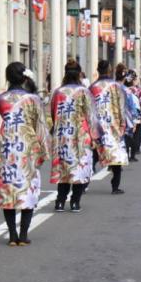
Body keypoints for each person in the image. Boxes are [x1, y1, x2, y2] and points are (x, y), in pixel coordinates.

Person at [0, 62, 49, 245]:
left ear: (7, 77)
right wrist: (44, 150)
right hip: (27, 146)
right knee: (28, 189)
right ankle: (23, 235)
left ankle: (11, 235)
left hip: (7, 146)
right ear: (25, 77)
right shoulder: (33, 100)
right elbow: (40, 125)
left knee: (8, 189)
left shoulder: (1, 99)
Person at [50, 62, 99, 213]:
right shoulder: (84, 92)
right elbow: (91, 116)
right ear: (79, 74)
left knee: (64, 169)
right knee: (80, 168)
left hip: (63, 135)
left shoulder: (58, 92)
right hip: (81, 135)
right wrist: (95, 136)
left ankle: (60, 201)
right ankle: (75, 202)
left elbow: (53, 112)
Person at [90, 59, 131, 195]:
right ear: (109, 70)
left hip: (98, 127)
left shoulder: (92, 87)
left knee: (95, 155)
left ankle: (83, 185)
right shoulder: (116, 87)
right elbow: (121, 107)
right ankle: (115, 186)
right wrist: (123, 124)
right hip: (113, 126)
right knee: (116, 157)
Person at [124, 69, 141, 161]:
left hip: (125, 116)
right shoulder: (138, 90)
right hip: (136, 115)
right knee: (136, 134)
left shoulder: (123, 89)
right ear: (134, 79)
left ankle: (126, 153)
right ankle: (133, 154)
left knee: (126, 136)